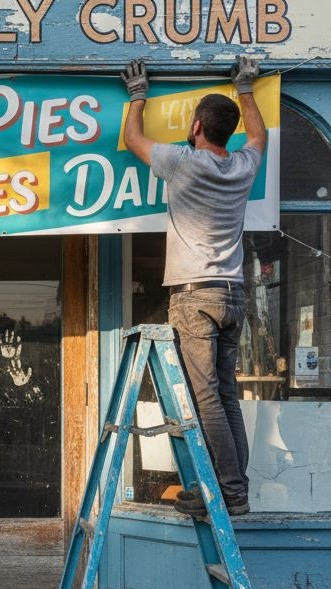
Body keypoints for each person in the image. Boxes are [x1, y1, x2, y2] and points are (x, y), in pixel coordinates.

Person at [118, 56, 267, 516]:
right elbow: (258, 135)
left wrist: (138, 94)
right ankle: (235, 488)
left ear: (198, 125)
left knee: (206, 398)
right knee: (225, 394)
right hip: (232, 293)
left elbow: (132, 139)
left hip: (194, 295)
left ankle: (224, 491)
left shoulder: (183, 161)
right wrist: (246, 88)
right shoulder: (243, 165)